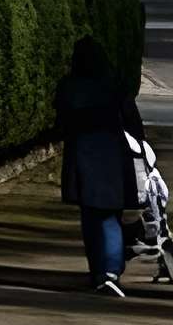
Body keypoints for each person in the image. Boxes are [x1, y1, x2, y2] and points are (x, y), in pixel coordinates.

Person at [57, 34, 148, 296]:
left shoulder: (69, 86)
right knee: (111, 216)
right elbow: (131, 118)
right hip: (114, 154)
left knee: (90, 216)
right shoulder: (113, 83)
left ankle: (97, 268)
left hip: (82, 154)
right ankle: (110, 271)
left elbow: (62, 120)